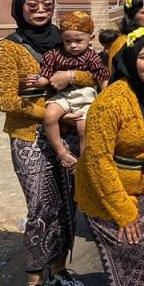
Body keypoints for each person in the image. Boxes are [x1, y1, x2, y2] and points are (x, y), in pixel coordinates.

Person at [0, 0, 94, 286]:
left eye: (46, 5)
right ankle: (35, 278)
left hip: (70, 138)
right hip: (29, 139)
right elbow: (7, 99)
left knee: (68, 204)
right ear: (20, 8)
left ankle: (59, 271)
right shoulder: (9, 47)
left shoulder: (63, 39)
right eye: (32, 5)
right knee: (40, 208)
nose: (40, 11)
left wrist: (70, 75)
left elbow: (93, 68)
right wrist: (55, 115)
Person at [75, 25, 144, 286]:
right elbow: (98, 162)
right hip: (105, 195)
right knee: (127, 261)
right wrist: (123, 212)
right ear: (131, 59)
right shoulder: (111, 102)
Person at [38, 11, 109, 168]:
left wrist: (105, 98)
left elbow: (102, 77)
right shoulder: (55, 54)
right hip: (63, 94)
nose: (73, 45)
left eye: (78, 40)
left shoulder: (92, 57)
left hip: (85, 96)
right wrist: (37, 81)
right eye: (67, 41)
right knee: (49, 116)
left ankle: (84, 163)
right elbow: (45, 75)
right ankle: (61, 152)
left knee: (83, 128)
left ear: (91, 38)